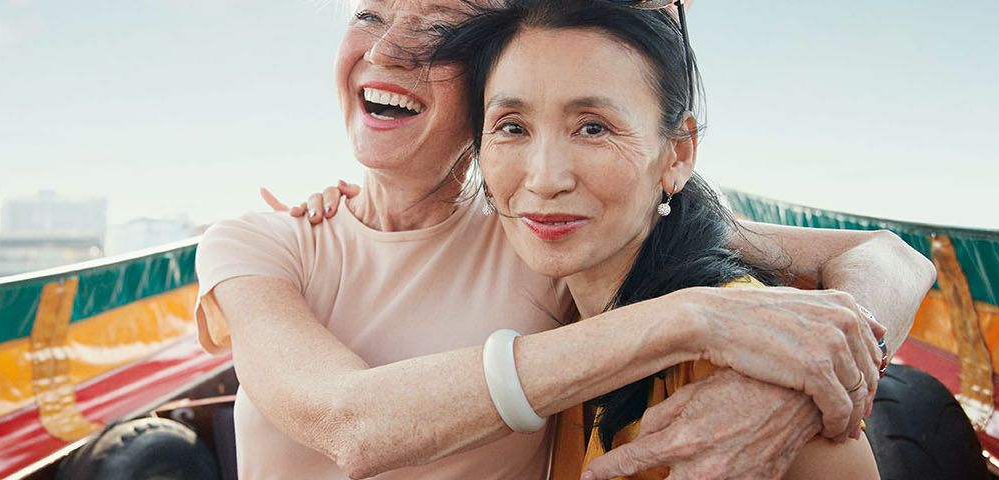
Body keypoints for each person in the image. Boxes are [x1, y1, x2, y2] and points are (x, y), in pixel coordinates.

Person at [195, 0, 935, 477]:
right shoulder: (262, 242)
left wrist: (808, 388)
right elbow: (349, 424)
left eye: (440, 29)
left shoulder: (544, 235)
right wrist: (690, 321)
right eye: (367, 13)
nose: (387, 51)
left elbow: (886, 256)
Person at [433, 0, 879, 477]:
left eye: (592, 128)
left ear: (678, 154)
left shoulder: (748, 364)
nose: (545, 179)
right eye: (513, 127)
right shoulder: (559, 321)